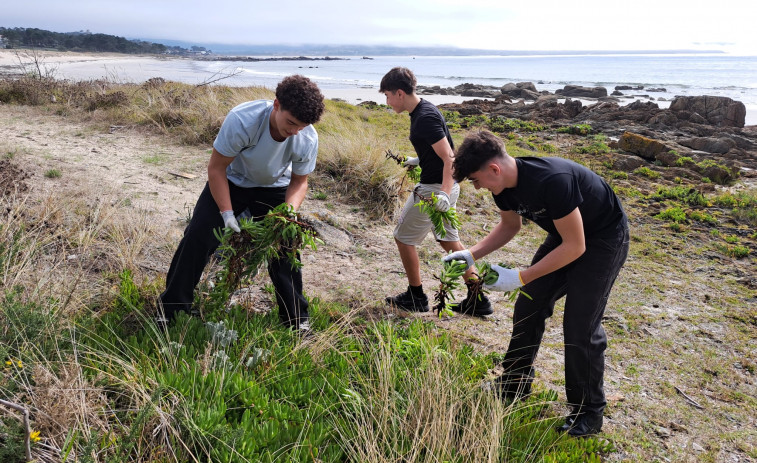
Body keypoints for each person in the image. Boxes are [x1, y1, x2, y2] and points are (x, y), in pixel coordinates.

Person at [444, 130, 629, 437]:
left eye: (476, 180)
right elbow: (509, 225)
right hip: (566, 235)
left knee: (580, 324)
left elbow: (576, 247)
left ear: (494, 169)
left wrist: (520, 277)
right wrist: (469, 254)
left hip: (604, 238)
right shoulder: (501, 188)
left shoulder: (552, 180)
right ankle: (514, 383)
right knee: (529, 304)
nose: (477, 188)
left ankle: (589, 411)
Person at [159, 75, 325, 332]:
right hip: (232, 181)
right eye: (291, 123)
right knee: (198, 236)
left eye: (301, 127)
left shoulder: (306, 137)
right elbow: (216, 169)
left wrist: (287, 214)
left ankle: (296, 320)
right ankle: (171, 310)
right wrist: (226, 214)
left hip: (274, 188)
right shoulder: (242, 120)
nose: (294, 131)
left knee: (285, 246)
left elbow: (299, 182)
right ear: (277, 104)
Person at [379, 67, 491, 316]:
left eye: (387, 96)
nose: (386, 102)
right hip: (443, 187)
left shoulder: (425, 117)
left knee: (403, 237)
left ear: (399, 93)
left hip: (434, 189)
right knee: (449, 241)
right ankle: (478, 298)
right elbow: (438, 151)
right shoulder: (422, 110)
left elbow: (449, 157)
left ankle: (416, 296)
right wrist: (417, 160)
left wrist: (443, 192)